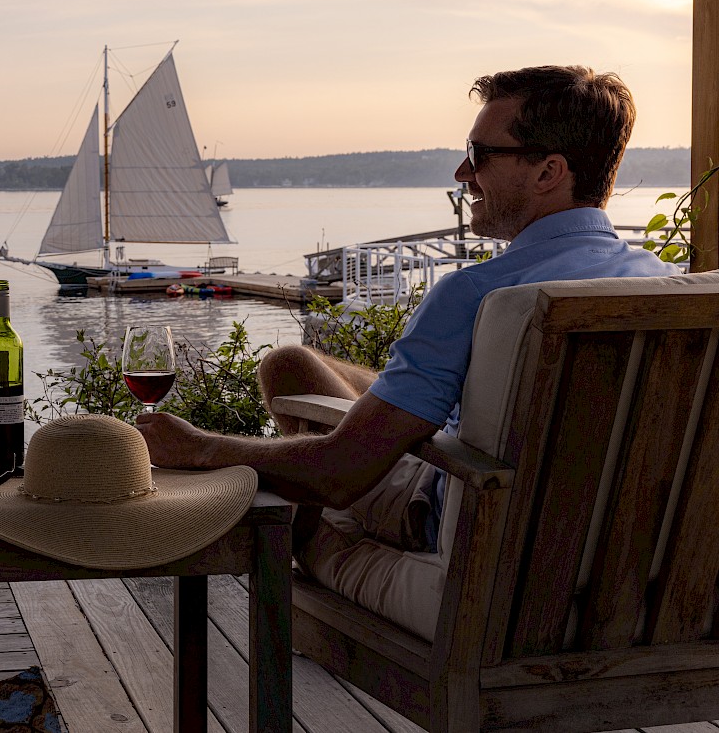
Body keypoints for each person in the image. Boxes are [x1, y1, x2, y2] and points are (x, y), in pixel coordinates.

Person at [136, 64, 679, 565]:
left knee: (289, 381)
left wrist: (197, 447)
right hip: (615, 541)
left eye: (481, 153)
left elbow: (340, 475)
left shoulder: (480, 297)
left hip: (475, 519)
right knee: (294, 366)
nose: (464, 170)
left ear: (548, 172)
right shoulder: (662, 284)